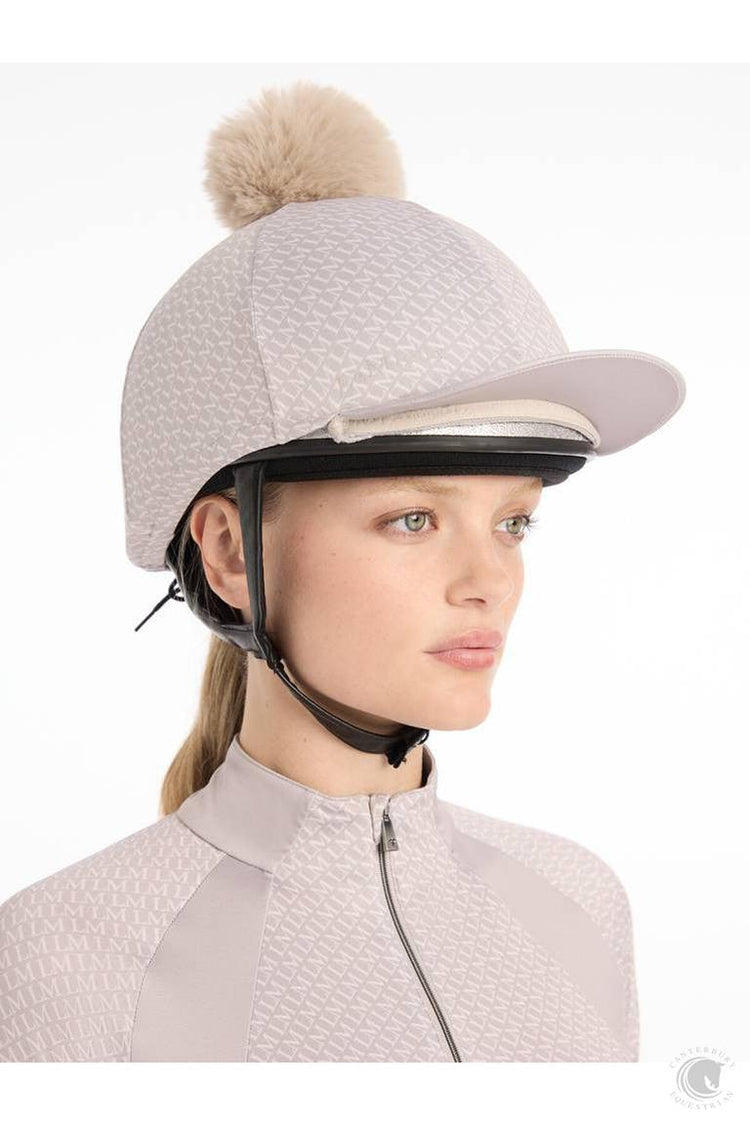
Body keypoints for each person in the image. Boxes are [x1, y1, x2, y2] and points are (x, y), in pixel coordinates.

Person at [0, 79, 686, 1063]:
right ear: (231, 554)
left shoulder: (578, 904)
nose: (489, 580)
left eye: (513, 523)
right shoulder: (62, 959)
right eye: (413, 519)